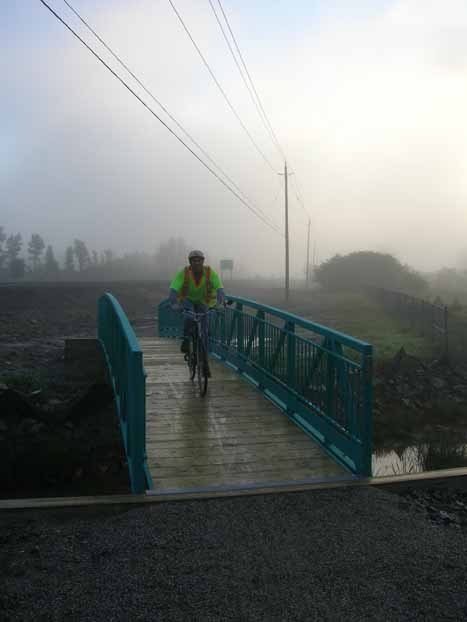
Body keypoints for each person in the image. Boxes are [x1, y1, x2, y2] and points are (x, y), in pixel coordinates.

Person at [169, 250, 225, 373]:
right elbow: (173, 289)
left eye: (199, 260)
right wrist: (173, 303)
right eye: (194, 260)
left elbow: (220, 289)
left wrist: (220, 304)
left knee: (205, 327)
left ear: (203, 261)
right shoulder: (184, 273)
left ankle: (204, 358)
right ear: (190, 262)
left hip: (203, 301)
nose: (197, 262)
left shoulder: (210, 272)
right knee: (189, 318)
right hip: (187, 300)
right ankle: (186, 340)